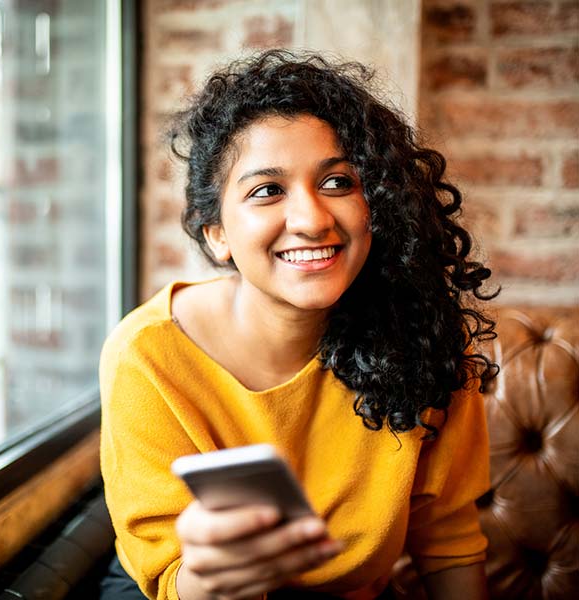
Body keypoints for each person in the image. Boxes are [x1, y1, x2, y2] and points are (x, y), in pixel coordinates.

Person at [99, 50, 498, 600]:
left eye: (338, 182)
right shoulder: (147, 356)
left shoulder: (422, 336)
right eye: (267, 190)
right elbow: (169, 578)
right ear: (217, 233)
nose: (312, 219)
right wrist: (221, 571)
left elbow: (449, 539)